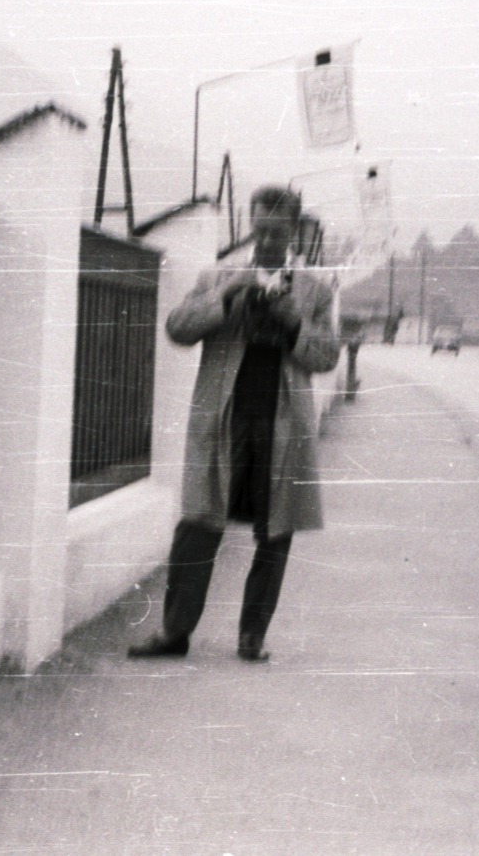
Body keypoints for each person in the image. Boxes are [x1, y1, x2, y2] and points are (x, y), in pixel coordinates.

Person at [128, 185, 339, 663]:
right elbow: (178, 328)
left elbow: (327, 355)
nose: (265, 241)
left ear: (294, 233)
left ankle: (252, 637)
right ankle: (173, 632)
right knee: (198, 523)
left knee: (275, 530)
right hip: (222, 421)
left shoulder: (313, 292)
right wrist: (224, 300)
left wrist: (292, 324)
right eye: (259, 229)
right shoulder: (220, 276)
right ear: (250, 224)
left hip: (283, 426)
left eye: (276, 232)